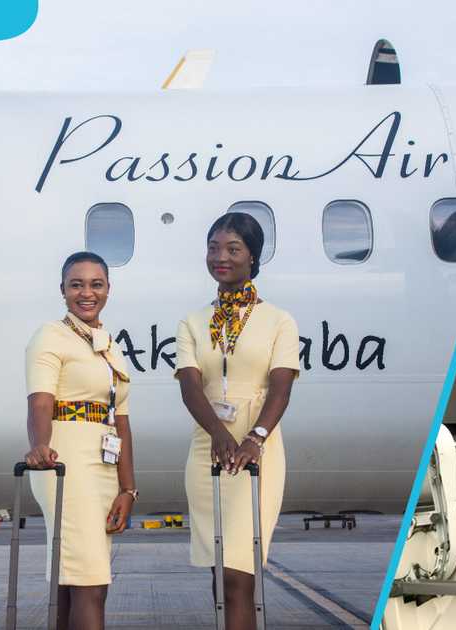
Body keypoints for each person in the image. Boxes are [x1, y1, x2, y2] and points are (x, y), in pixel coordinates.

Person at [175, 212, 300, 630]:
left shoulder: (279, 320)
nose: (220, 257)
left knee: (239, 572)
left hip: (256, 448)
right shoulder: (192, 322)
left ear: (252, 257)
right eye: (213, 248)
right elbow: (191, 386)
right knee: (218, 566)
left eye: (233, 249)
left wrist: (255, 438)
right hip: (208, 445)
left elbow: (281, 387)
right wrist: (218, 433)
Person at [24, 251, 137, 630]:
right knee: (90, 583)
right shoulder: (49, 337)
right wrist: (40, 444)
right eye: (77, 284)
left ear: (108, 289)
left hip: (103, 467)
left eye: (96, 284)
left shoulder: (108, 345)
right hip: (66, 462)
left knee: (73, 581)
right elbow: (40, 402)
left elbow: (121, 421)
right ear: (63, 290)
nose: (86, 293)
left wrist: (128, 489)